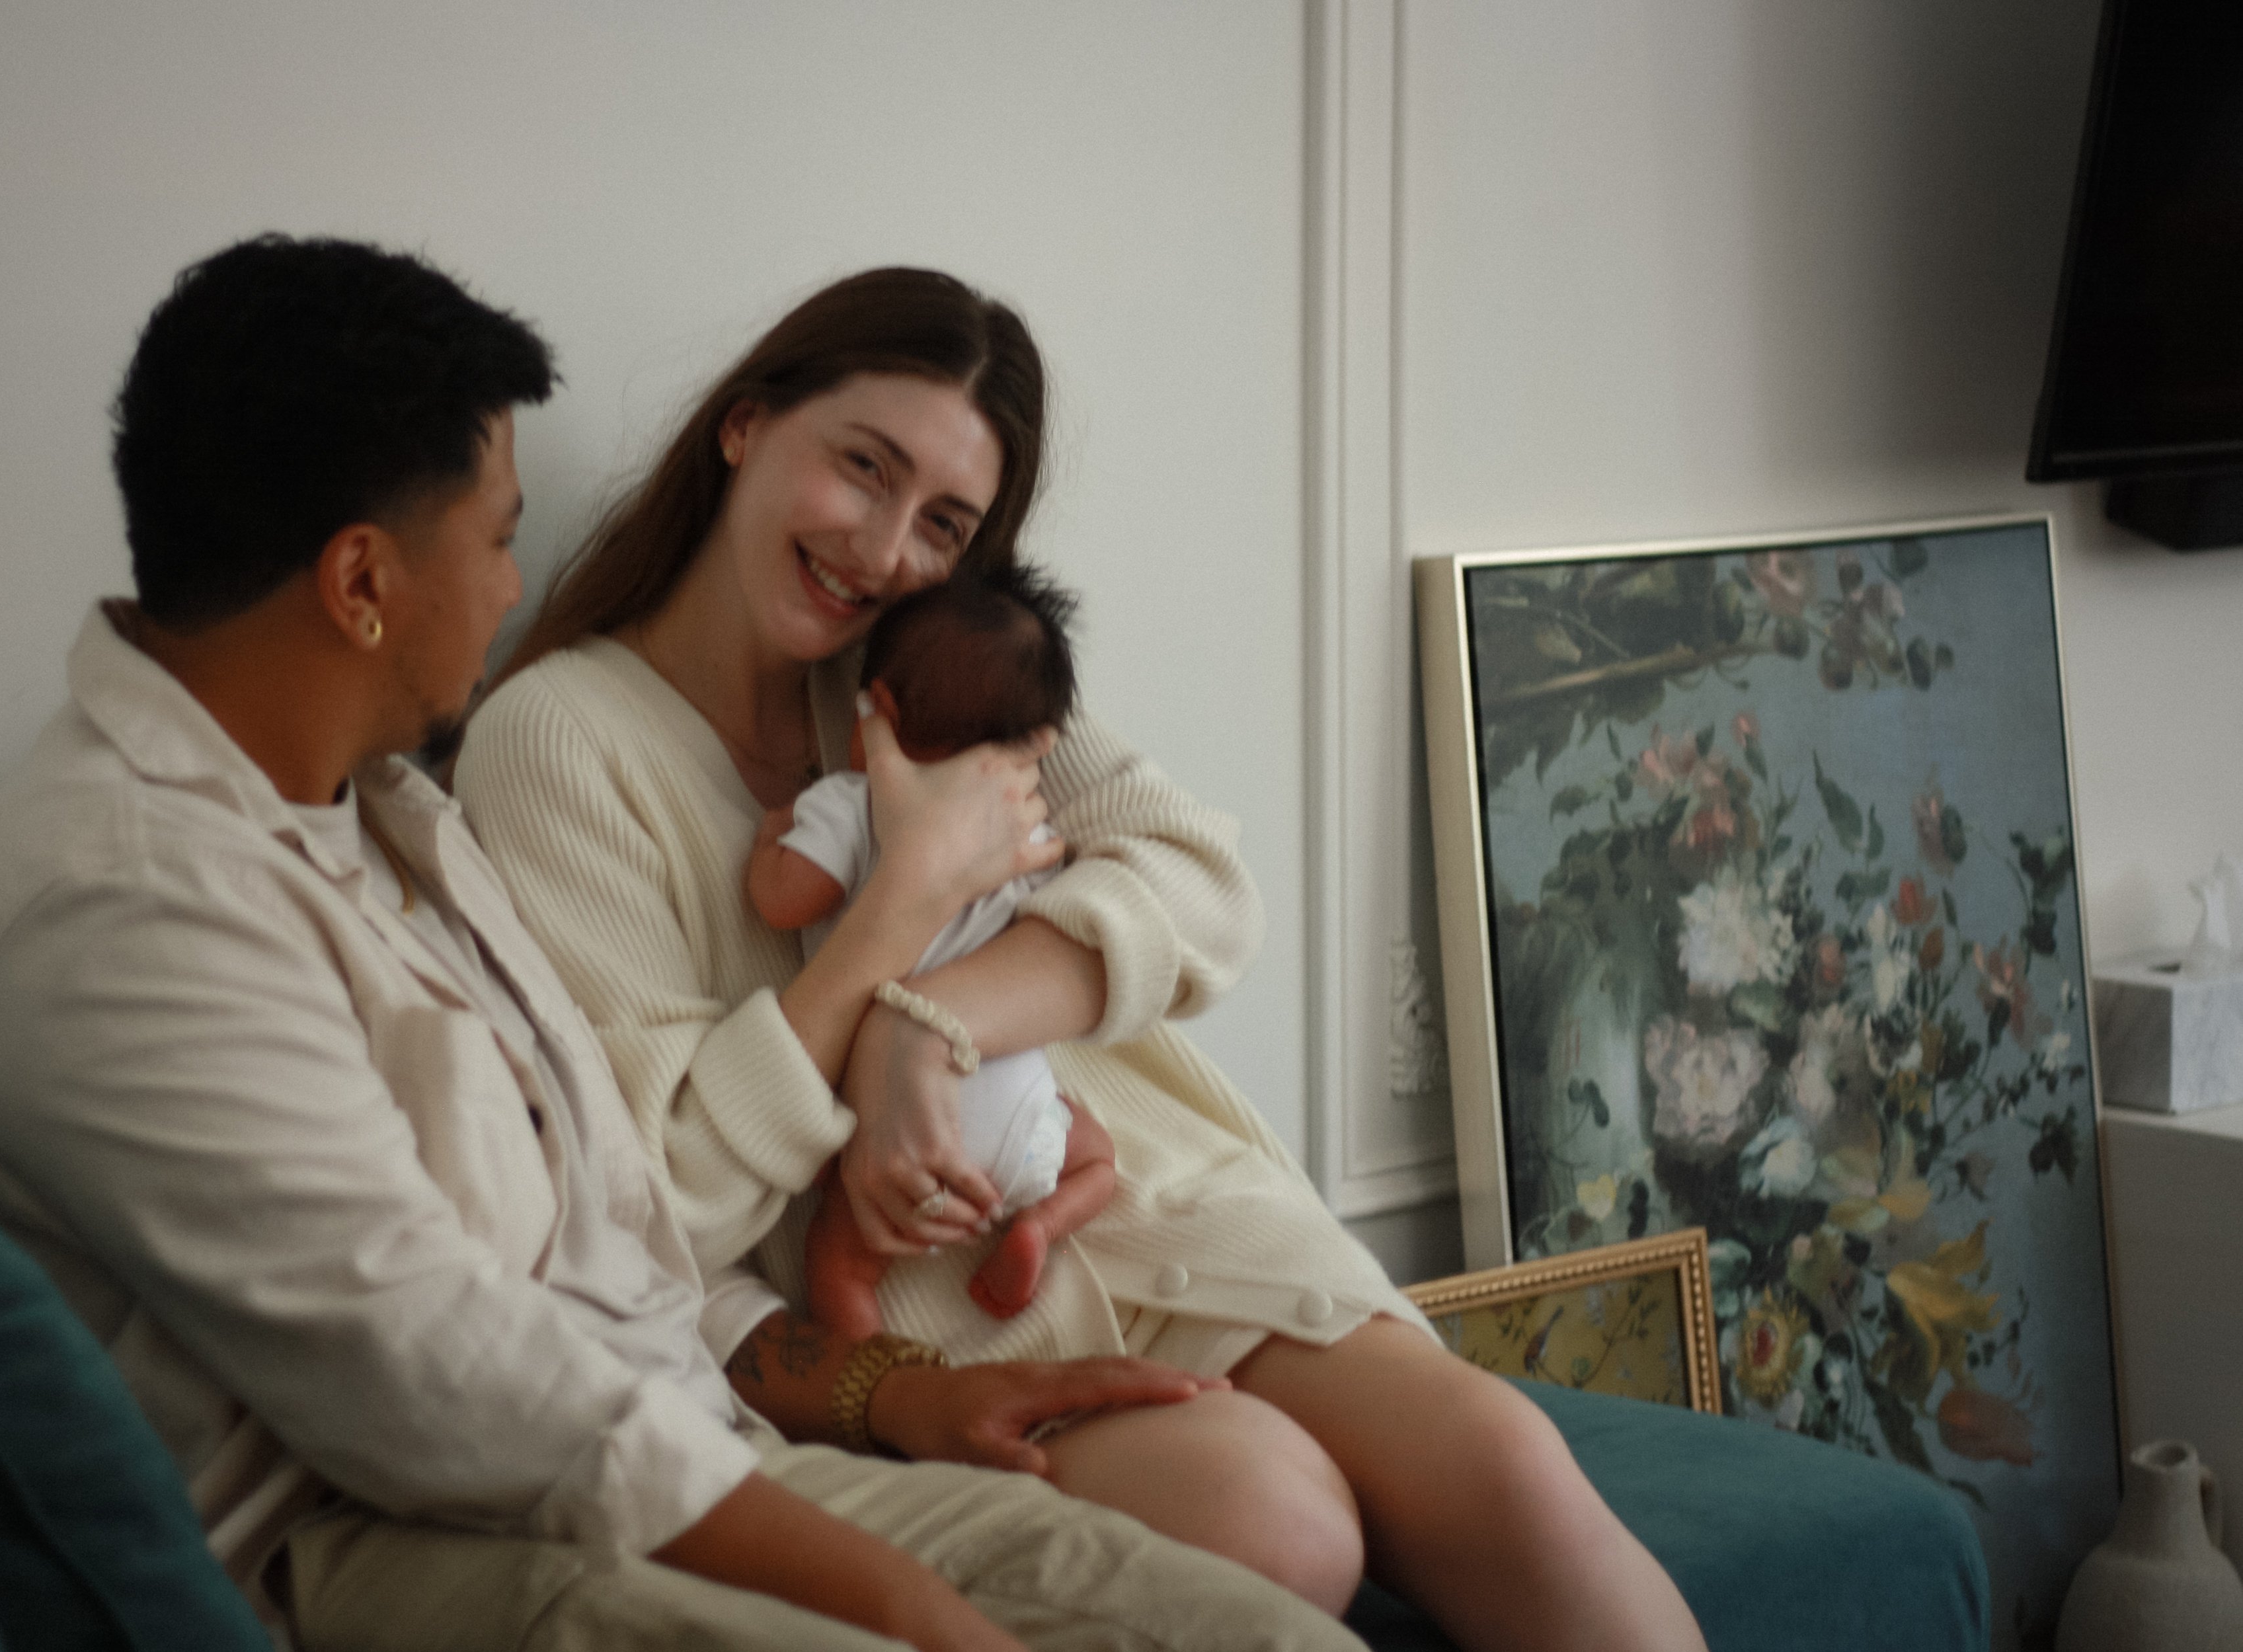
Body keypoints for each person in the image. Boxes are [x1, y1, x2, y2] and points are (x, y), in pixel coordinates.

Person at [0, 235, 1379, 1652]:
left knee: (1247, 1625)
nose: (513, 591)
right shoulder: (125, 908)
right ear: (359, 583)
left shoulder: (387, 825)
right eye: (496, 539)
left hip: (681, 1446)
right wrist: (922, 1610)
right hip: (423, 1545)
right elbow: (444, 1375)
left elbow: (621, 1239)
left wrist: (875, 1393)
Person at [453, 266, 1708, 1650]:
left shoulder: (938, 661)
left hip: (1160, 1211)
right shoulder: (558, 739)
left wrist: (920, 1027)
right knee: (1274, 1521)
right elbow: (655, 1185)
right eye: (859, 469)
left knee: (1515, 1474)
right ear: (744, 427)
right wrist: (897, 909)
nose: (882, 552)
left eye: (944, 520)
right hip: (933, 1313)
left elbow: (1198, 882)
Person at [749, 563, 1119, 1337]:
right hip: (1017, 1119)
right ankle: (1038, 1228)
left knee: (840, 1264)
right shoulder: (1031, 834)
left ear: (875, 711)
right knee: (1098, 1157)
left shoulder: (849, 806)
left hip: (884, 1131)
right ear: (1031, 746)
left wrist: (771, 836)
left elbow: (783, 901)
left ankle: (878, 1383)